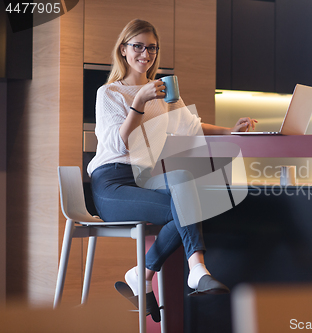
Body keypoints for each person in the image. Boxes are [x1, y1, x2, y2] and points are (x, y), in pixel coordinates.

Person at [87, 18, 257, 321]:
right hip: (112, 183)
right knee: (186, 206)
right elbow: (119, 145)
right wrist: (138, 102)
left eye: (151, 48)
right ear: (123, 50)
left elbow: (191, 128)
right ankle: (173, 272)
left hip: (145, 179)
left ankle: (175, 270)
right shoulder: (110, 94)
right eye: (138, 46)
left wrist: (231, 131)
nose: (145, 53)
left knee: (182, 181)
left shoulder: (162, 91)